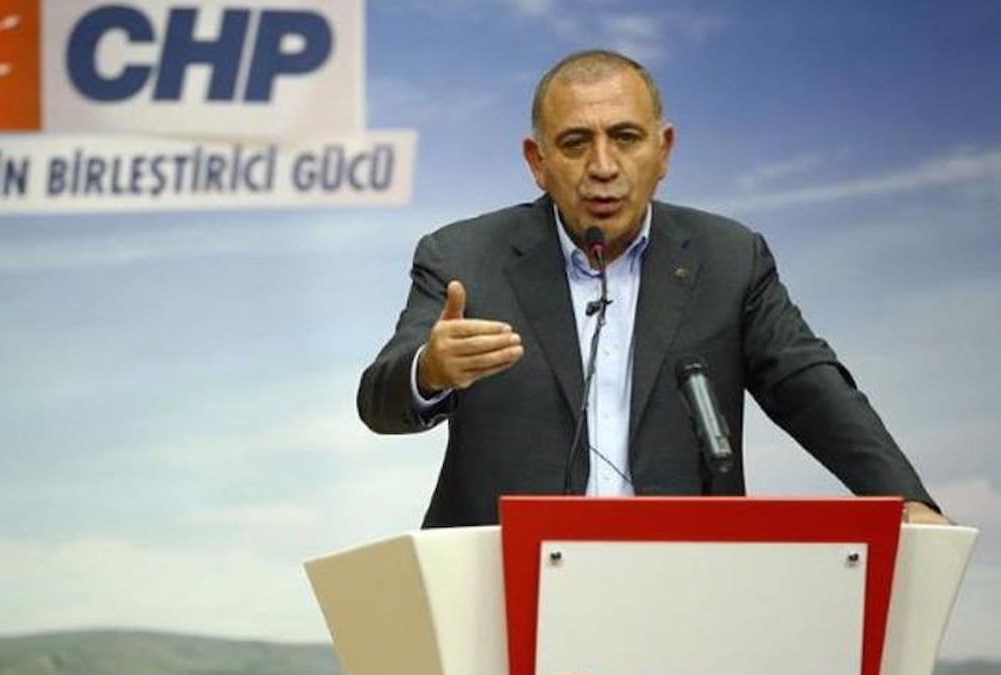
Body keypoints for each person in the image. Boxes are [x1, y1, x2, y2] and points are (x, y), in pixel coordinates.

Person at [357, 49, 949, 528]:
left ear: (662, 151)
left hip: (680, 576)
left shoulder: (729, 258)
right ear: (537, 161)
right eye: (575, 143)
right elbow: (378, 402)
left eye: (626, 137)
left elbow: (808, 386)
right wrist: (429, 370)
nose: (603, 165)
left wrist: (903, 498)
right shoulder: (463, 258)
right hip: (499, 580)